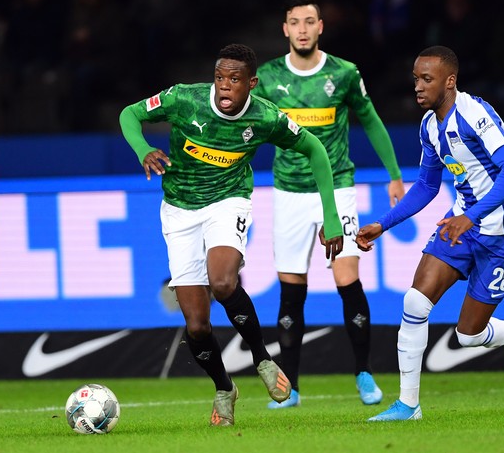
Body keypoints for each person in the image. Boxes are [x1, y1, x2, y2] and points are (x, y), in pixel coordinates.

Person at [119, 43, 344, 426]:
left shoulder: (266, 117)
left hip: (228, 202)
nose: (224, 87)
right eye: (220, 78)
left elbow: (315, 150)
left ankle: (262, 359)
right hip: (178, 210)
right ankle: (224, 388)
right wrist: (142, 148)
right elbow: (130, 114)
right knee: (196, 325)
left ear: (251, 83)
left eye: (234, 80)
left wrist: (332, 216)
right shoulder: (183, 99)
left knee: (222, 281)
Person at [354, 45, 504, 422]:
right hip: (461, 226)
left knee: (468, 336)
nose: (418, 87)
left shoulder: (474, 115)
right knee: (414, 303)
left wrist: (471, 216)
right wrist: (383, 223)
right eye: (415, 79)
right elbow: (426, 186)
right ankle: (409, 405)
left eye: (427, 79)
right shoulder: (429, 126)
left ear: (450, 81)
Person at [255, 0, 405, 409]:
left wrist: (394, 175)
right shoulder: (266, 78)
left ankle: (363, 374)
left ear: (321, 26)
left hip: (337, 188)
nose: (302, 29)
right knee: (291, 292)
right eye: (295, 22)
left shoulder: (343, 73)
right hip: (287, 192)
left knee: (347, 280)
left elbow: (371, 120)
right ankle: (292, 389)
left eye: (309, 21)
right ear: (285, 29)